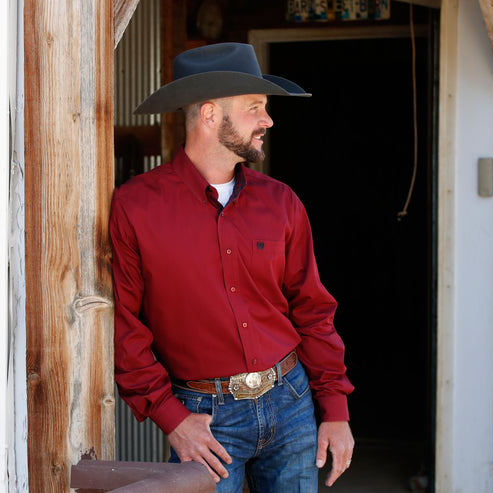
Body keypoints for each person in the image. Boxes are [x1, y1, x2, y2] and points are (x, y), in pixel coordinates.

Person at [110, 42, 354, 492]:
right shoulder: (135, 207)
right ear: (209, 115)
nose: (268, 120)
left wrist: (334, 408)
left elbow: (313, 310)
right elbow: (125, 329)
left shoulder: (281, 203)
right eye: (255, 109)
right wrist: (172, 418)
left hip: (292, 403)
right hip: (203, 418)